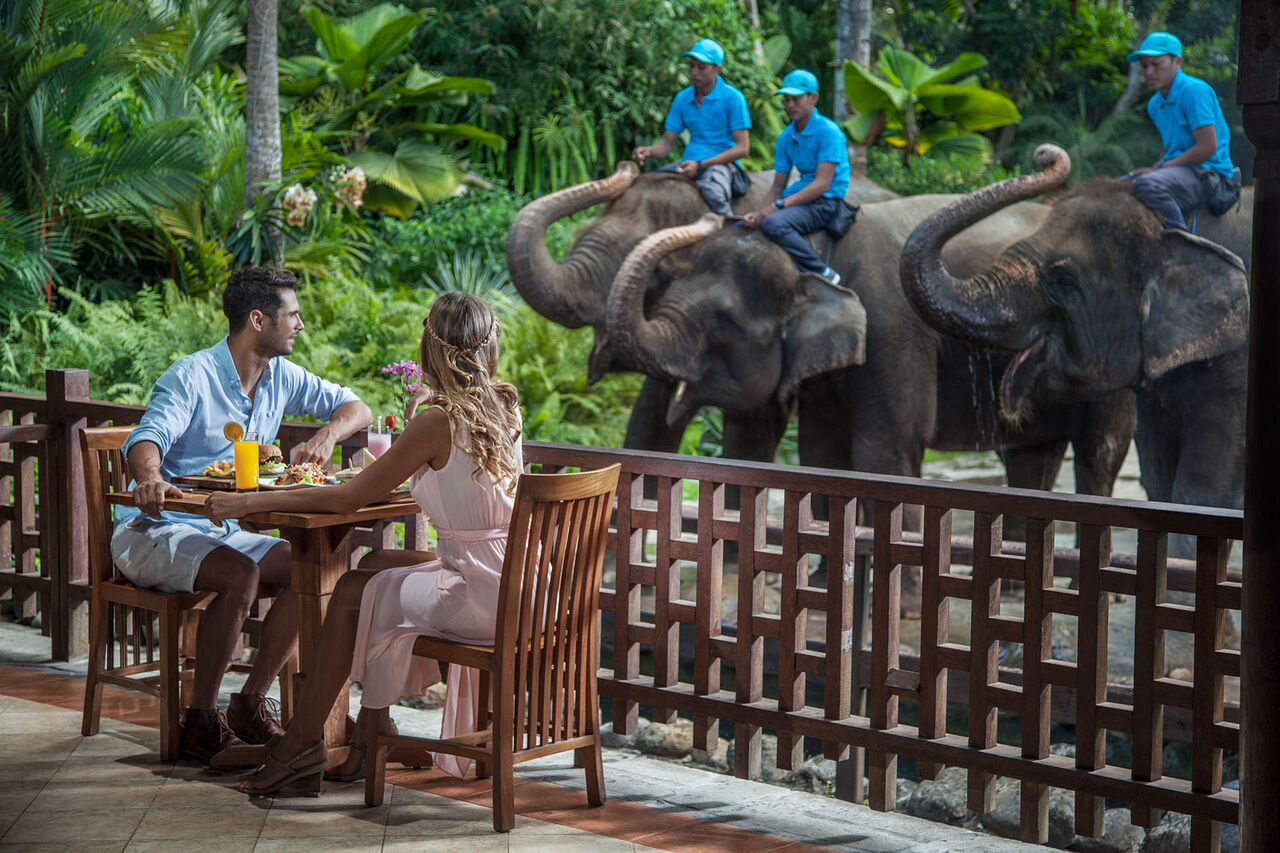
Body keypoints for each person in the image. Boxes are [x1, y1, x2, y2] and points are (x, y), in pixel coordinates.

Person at [205, 292, 524, 796]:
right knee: (377, 563)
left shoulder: (436, 423)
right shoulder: (504, 405)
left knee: (355, 587)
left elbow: (349, 496)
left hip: (485, 595)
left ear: (430, 347)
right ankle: (368, 739)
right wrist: (424, 408)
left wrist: (245, 506)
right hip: (518, 579)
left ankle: (300, 748)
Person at [114, 266, 372, 761]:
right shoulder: (192, 375)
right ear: (258, 320)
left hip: (223, 527)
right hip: (153, 528)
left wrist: (326, 435)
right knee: (241, 574)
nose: (301, 325)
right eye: (292, 315)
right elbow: (147, 437)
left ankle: (249, 704)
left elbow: (355, 407)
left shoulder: (282, 376)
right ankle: (201, 721)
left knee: (310, 570)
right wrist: (148, 477)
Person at [741, 69, 852, 286]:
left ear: (813, 98)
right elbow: (778, 184)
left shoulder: (829, 132)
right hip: (800, 196)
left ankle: (823, 273)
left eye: (796, 99)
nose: (790, 105)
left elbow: (822, 184)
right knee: (749, 226)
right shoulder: (786, 137)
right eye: (787, 99)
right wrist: (760, 213)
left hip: (825, 201)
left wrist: (781, 205)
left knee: (774, 225)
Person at [1120, 31, 1237, 231]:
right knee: (1118, 185)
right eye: (1145, 65)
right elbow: (1177, 148)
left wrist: (1163, 169)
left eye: (1156, 64)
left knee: (1149, 185)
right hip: (1181, 169)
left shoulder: (1194, 91)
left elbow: (1207, 147)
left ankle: (1179, 243)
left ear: (1178, 62)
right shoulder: (1155, 104)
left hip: (1209, 173)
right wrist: (1157, 167)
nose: (1149, 72)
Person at [632, 38, 752, 216]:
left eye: (701, 67)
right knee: (644, 185)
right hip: (689, 163)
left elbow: (743, 148)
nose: (694, 72)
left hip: (721, 164)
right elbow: (666, 145)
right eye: (691, 66)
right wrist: (648, 151)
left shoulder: (732, 98)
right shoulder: (682, 98)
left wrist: (702, 165)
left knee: (714, 193)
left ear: (718, 70)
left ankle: (729, 229)